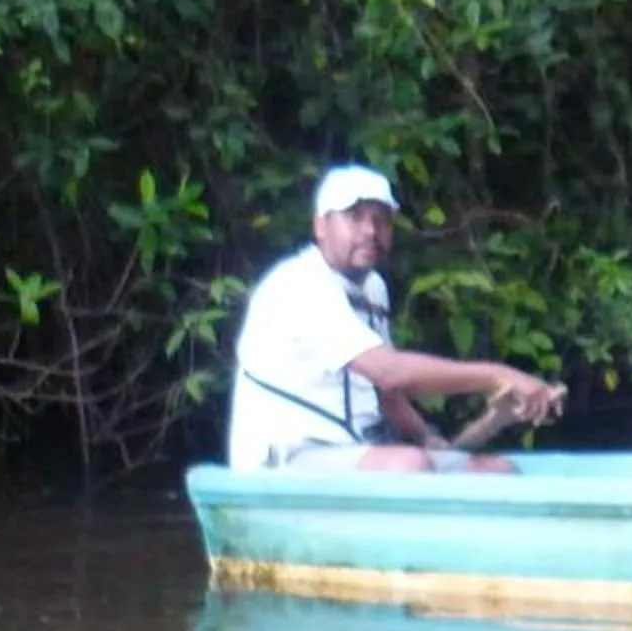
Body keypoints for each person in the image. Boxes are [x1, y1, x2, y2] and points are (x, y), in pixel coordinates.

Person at [227, 165, 566, 472]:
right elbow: (388, 373)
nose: (371, 231)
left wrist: (428, 438)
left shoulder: (372, 287)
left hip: (355, 450)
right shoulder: (299, 284)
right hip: (285, 457)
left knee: (495, 470)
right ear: (321, 226)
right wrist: (499, 375)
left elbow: (383, 394)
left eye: (382, 220)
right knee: (408, 464)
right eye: (355, 217)